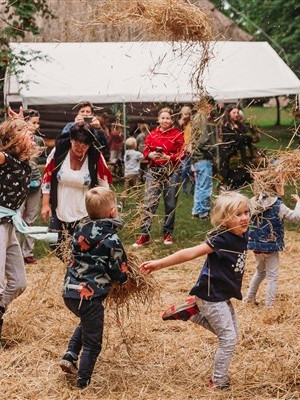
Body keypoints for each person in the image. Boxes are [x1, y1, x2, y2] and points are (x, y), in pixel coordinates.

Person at [0, 103, 57, 355]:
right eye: (25, 133)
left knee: (18, 282)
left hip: (9, 227)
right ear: (13, 140)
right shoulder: (5, 159)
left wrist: (20, 122)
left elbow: (24, 135)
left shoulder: (25, 161)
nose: (30, 136)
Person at [139, 191, 251, 391]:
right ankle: (218, 382)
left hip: (222, 294)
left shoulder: (243, 233)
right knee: (228, 339)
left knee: (232, 334)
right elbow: (189, 253)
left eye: (246, 212)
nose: (244, 217)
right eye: (237, 214)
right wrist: (159, 264)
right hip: (211, 297)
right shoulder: (221, 239)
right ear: (224, 220)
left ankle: (191, 312)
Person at [58, 187, 130, 389]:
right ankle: (82, 383)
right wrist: (124, 281)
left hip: (70, 292)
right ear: (113, 212)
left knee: (87, 322)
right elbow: (118, 267)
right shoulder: (111, 239)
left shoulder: (79, 232)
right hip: (90, 296)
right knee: (93, 342)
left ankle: (70, 355)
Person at [41, 123, 112, 256]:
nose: (80, 148)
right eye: (77, 143)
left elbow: (104, 184)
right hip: (60, 207)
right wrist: (45, 204)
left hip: (84, 210)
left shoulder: (95, 156)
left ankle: (78, 268)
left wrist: (108, 208)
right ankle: (73, 266)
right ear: (71, 140)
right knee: (55, 243)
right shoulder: (59, 151)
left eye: (85, 145)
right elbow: (47, 177)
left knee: (83, 245)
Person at [244, 181, 300, 307]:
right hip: (271, 245)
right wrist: (299, 203)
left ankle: (249, 298)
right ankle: (269, 306)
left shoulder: (252, 202)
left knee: (260, 271)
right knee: (272, 276)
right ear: (275, 187)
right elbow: (295, 217)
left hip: (256, 245)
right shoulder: (278, 205)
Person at [133, 107, 185, 247]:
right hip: (154, 171)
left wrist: (170, 157)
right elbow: (145, 150)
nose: (165, 120)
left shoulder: (177, 134)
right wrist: (149, 155)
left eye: (168, 118)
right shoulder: (152, 134)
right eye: (163, 118)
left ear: (172, 119)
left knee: (170, 204)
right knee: (149, 203)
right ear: (158, 119)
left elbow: (182, 153)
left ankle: (167, 233)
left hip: (171, 171)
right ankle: (145, 235)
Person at [19, 109, 46, 265]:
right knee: (17, 216)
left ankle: (27, 252)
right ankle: (15, 252)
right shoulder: (17, 139)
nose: (36, 125)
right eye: (33, 122)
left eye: (38, 122)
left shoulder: (39, 141)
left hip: (35, 182)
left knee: (31, 217)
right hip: (20, 183)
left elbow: (41, 159)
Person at [188, 99, 218, 220]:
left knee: (200, 185)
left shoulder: (197, 117)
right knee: (205, 186)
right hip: (203, 156)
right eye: (211, 105)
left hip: (197, 157)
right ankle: (204, 213)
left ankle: (196, 210)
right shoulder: (202, 118)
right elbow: (203, 140)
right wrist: (213, 148)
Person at [218, 105, 253, 190]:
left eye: (237, 112)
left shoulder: (239, 125)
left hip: (240, 156)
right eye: (234, 112)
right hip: (230, 157)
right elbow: (232, 140)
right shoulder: (226, 126)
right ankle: (225, 188)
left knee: (242, 178)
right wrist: (244, 138)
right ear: (229, 114)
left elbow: (249, 136)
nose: (236, 114)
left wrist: (245, 137)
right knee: (232, 179)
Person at [175, 105, 195, 195]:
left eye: (187, 114)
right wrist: (182, 120)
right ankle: (184, 189)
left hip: (193, 149)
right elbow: (176, 130)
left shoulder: (193, 123)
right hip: (185, 150)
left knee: (193, 170)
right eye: (184, 114)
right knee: (184, 170)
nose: (186, 115)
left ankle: (191, 189)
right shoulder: (182, 123)